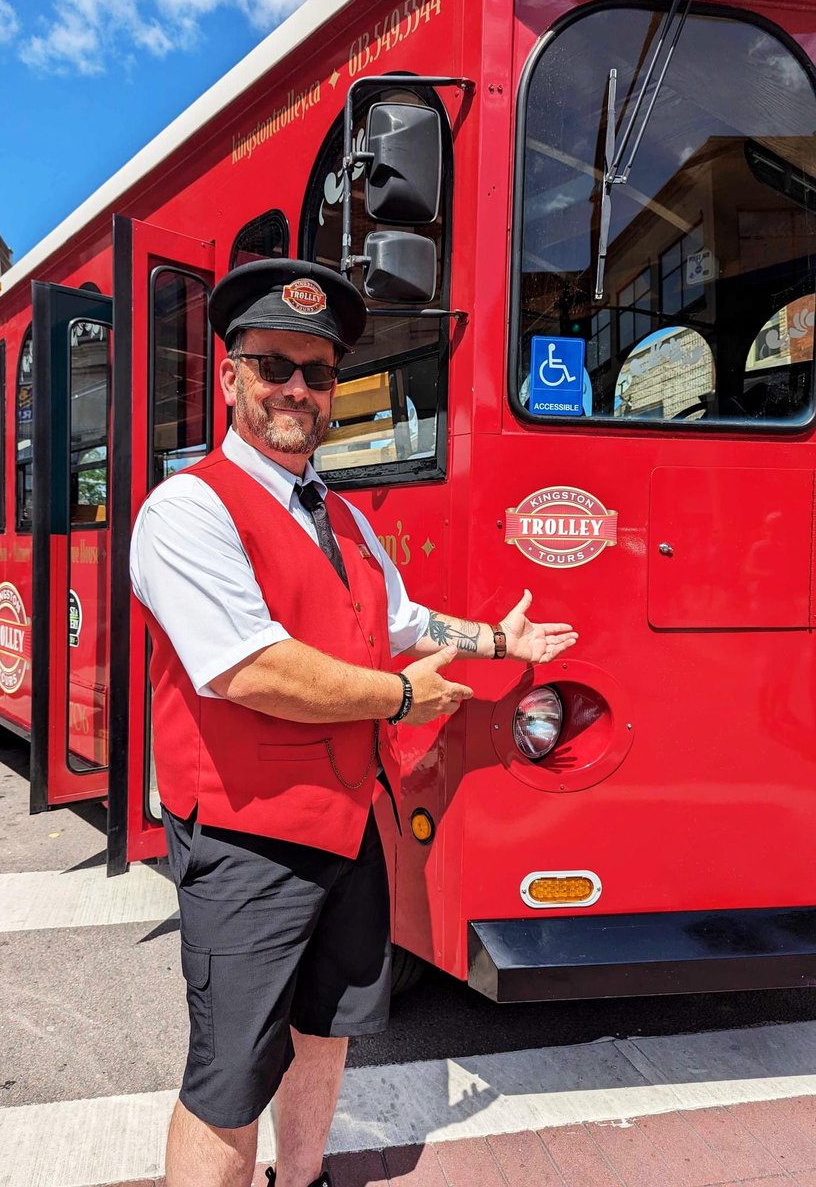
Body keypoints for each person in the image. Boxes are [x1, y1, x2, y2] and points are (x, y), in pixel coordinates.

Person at [129, 259, 578, 1187]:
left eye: (320, 372)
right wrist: (401, 698)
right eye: (274, 367)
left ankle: (300, 1181)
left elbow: (403, 620)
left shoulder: (340, 516)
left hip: (346, 826)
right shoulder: (187, 509)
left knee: (327, 1032)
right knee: (227, 1081)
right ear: (230, 378)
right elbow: (249, 667)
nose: (298, 389)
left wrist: (498, 639)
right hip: (247, 842)